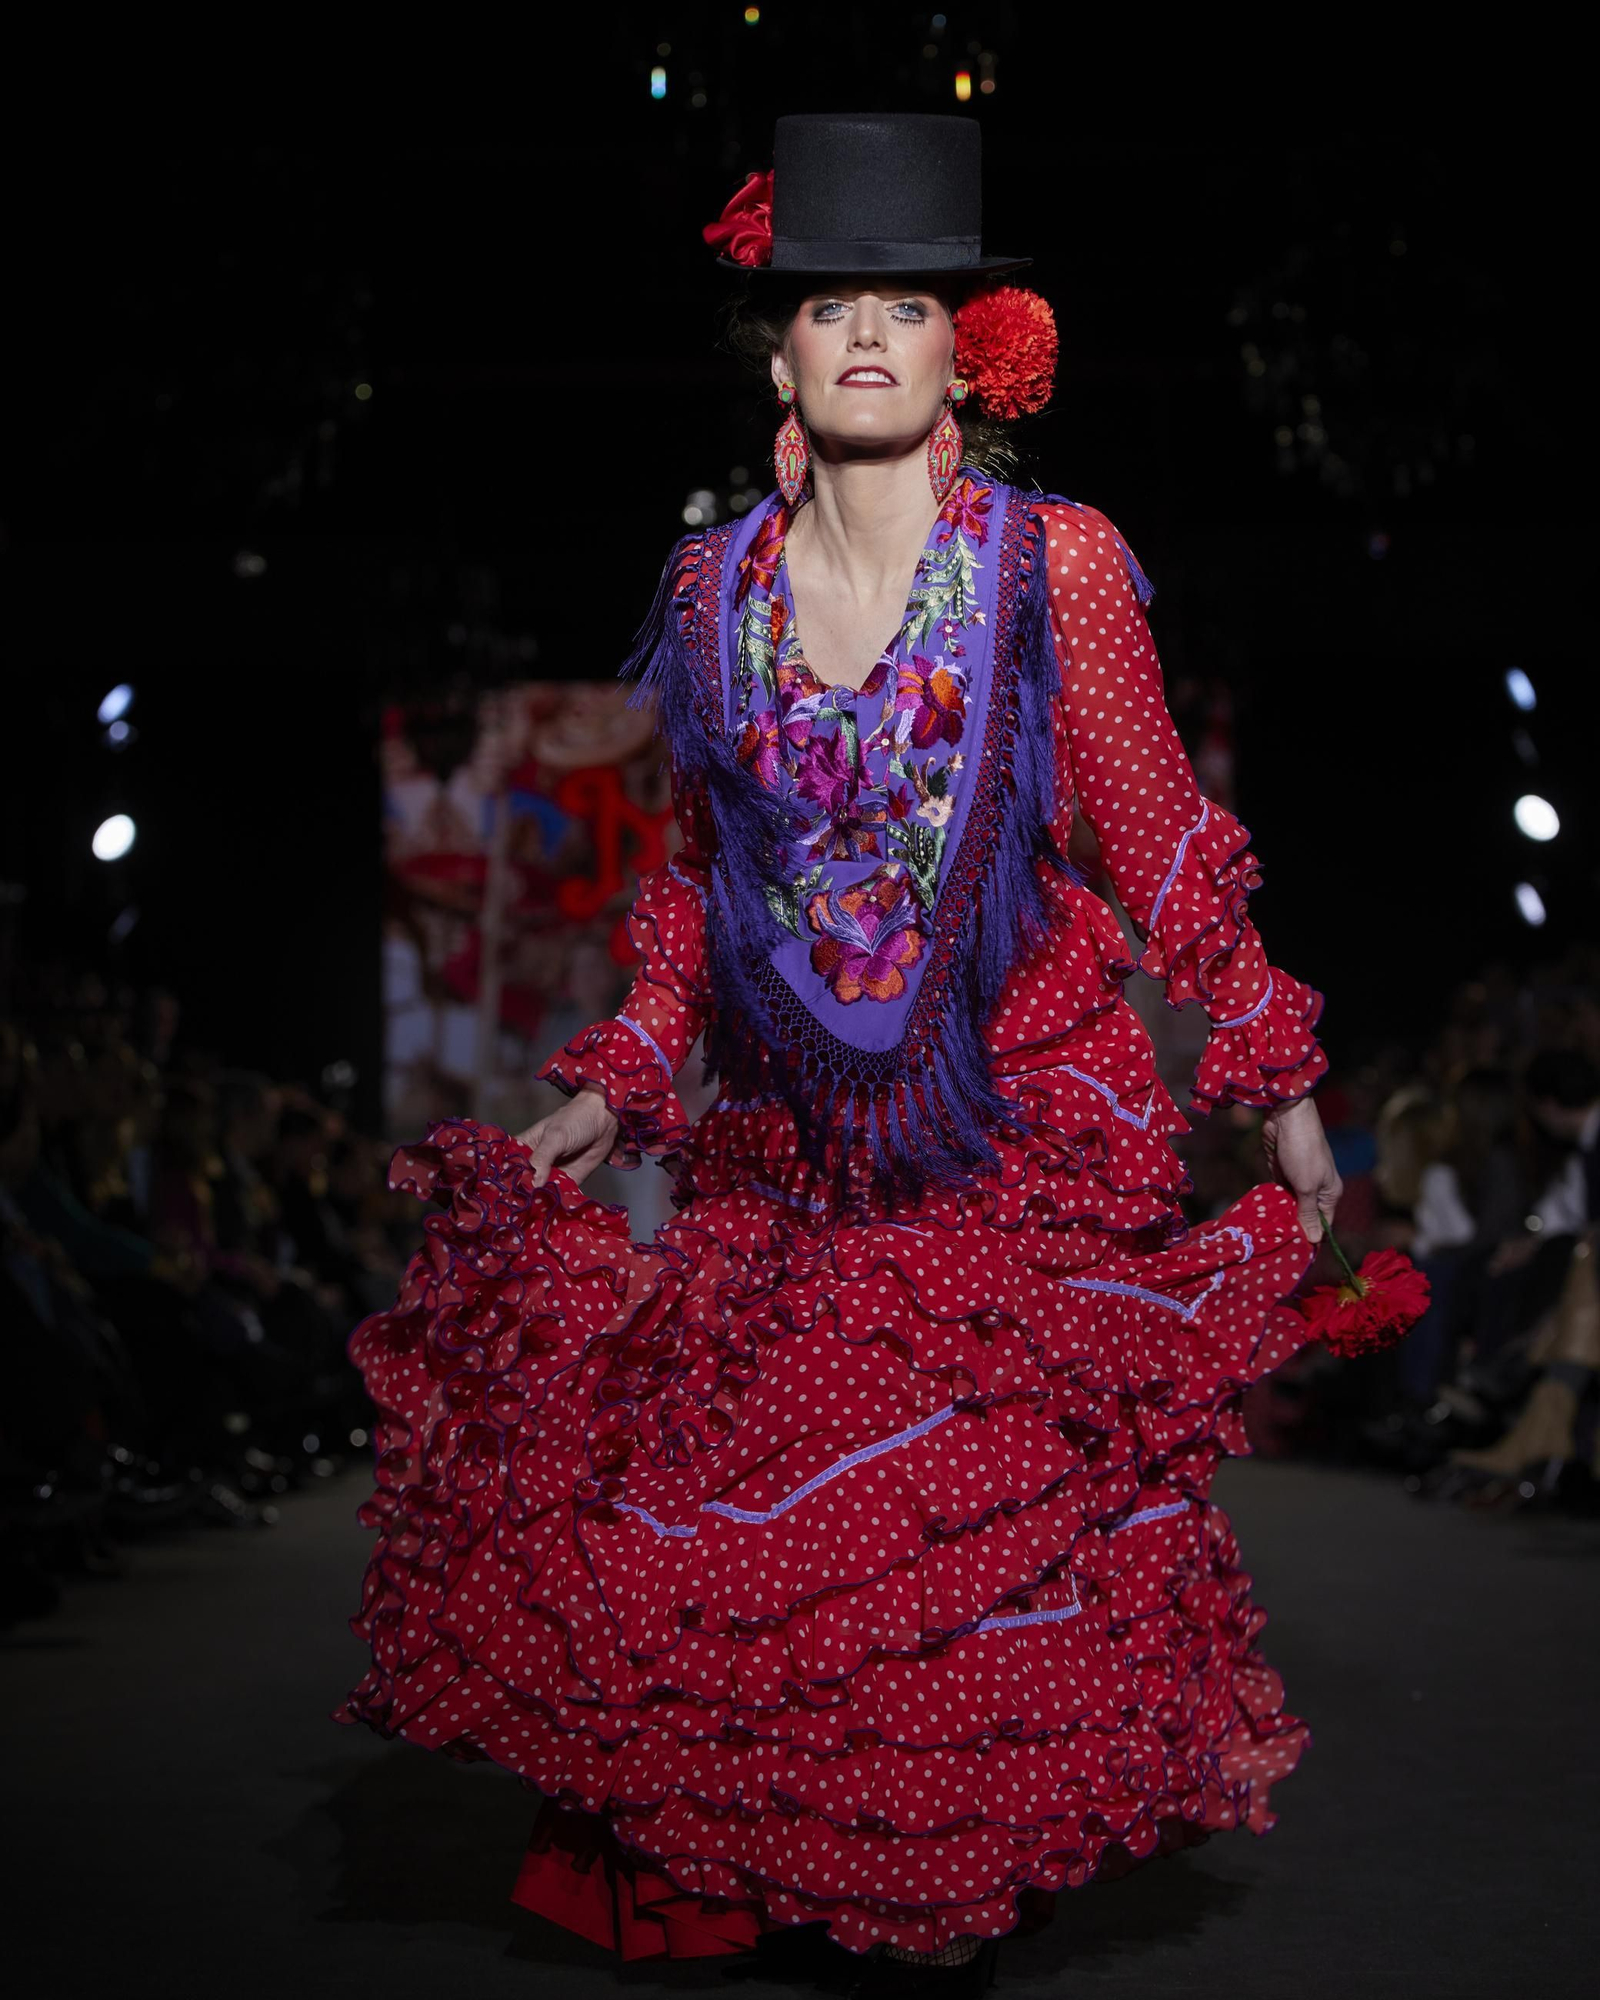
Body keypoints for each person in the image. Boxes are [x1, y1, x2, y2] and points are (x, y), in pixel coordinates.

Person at [334, 114, 1341, 1994]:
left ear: (976, 348)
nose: (866, 333)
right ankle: (779, 1889)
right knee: (738, 1556)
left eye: (905, 302)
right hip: (794, 1154)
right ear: (779, 356)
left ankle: (924, 1900)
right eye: (824, 305)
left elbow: (1159, 836)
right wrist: (611, 1082)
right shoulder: (709, 596)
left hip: (1020, 1142)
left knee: (961, 1566)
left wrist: (1275, 1081)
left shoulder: (1059, 565)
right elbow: (704, 891)